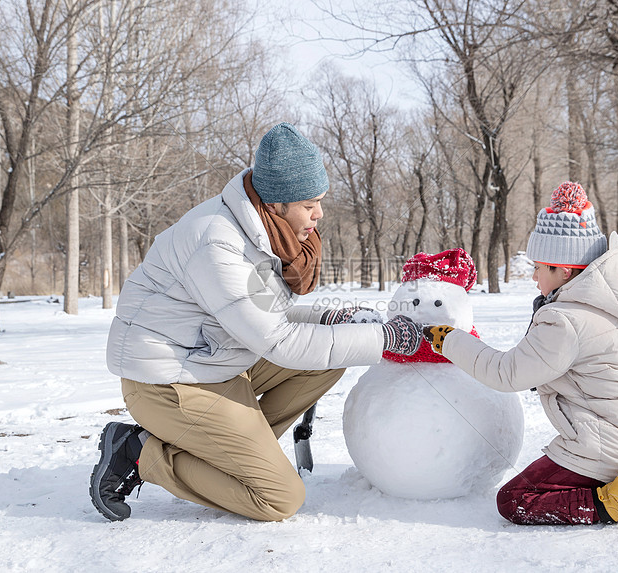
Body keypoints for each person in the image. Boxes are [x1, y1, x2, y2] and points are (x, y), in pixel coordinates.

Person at [90, 122, 421, 522]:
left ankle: (233, 454)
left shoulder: (259, 230)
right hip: (169, 381)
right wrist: (384, 338)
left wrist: (333, 318)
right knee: (279, 499)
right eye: (309, 204)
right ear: (277, 202)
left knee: (331, 353)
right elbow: (279, 342)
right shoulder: (218, 242)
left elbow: (264, 315)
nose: (319, 214)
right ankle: (139, 452)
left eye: (320, 201)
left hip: (216, 363)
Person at [422, 182, 618, 525]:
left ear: (564, 270)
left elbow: (506, 373)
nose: (533, 277)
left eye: (539, 267)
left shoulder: (565, 320)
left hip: (608, 447)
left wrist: (449, 340)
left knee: (516, 500)